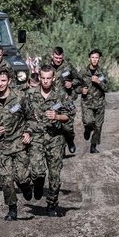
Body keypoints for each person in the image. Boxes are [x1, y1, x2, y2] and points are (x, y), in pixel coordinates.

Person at [0, 66, 38, 220]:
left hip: (19, 145)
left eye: (3, 80)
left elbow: (32, 119)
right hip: (2, 146)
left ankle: (26, 186)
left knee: (22, 177)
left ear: (9, 81)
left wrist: (28, 132)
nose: (0, 83)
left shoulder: (20, 97)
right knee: (6, 179)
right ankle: (12, 209)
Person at [26, 65, 75, 217]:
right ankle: (38, 184)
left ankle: (51, 206)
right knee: (37, 172)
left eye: (49, 78)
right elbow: (23, 116)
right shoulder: (30, 94)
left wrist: (57, 116)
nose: (46, 81)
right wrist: (26, 132)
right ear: (39, 78)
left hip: (55, 140)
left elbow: (70, 114)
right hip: (37, 139)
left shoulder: (61, 95)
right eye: (43, 78)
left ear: (53, 78)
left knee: (54, 176)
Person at [49, 46, 81, 154]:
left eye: (60, 58)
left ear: (63, 57)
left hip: (65, 100)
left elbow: (78, 79)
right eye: (56, 57)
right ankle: (59, 149)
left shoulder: (68, 67)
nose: (58, 60)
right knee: (55, 125)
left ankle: (70, 140)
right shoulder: (47, 67)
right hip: (52, 101)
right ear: (52, 55)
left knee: (67, 126)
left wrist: (71, 83)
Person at [80, 49, 110, 153]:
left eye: (96, 57)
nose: (94, 60)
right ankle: (87, 129)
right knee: (88, 122)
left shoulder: (103, 72)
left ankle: (93, 146)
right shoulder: (83, 72)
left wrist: (99, 82)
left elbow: (107, 88)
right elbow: (76, 85)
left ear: (99, 59)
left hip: (99, 103)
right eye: (92, 57)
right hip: (87, 103)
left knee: (98, 126)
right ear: (89, 59)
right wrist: (81, 90)